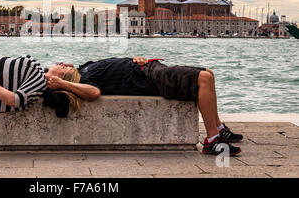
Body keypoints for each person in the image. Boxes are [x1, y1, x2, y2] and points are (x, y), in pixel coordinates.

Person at [45, 57, 243, 156]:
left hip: (149, 68)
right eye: (57, 66)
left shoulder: (83, 68)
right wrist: (60, 83)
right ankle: (212, 141)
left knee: (208, 72)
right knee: (205, 79)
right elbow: (94, 93)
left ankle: (219, 129)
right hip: (149, 78)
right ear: (59, 77)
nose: (61, 63)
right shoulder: (84, 80)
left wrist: (135, 59)